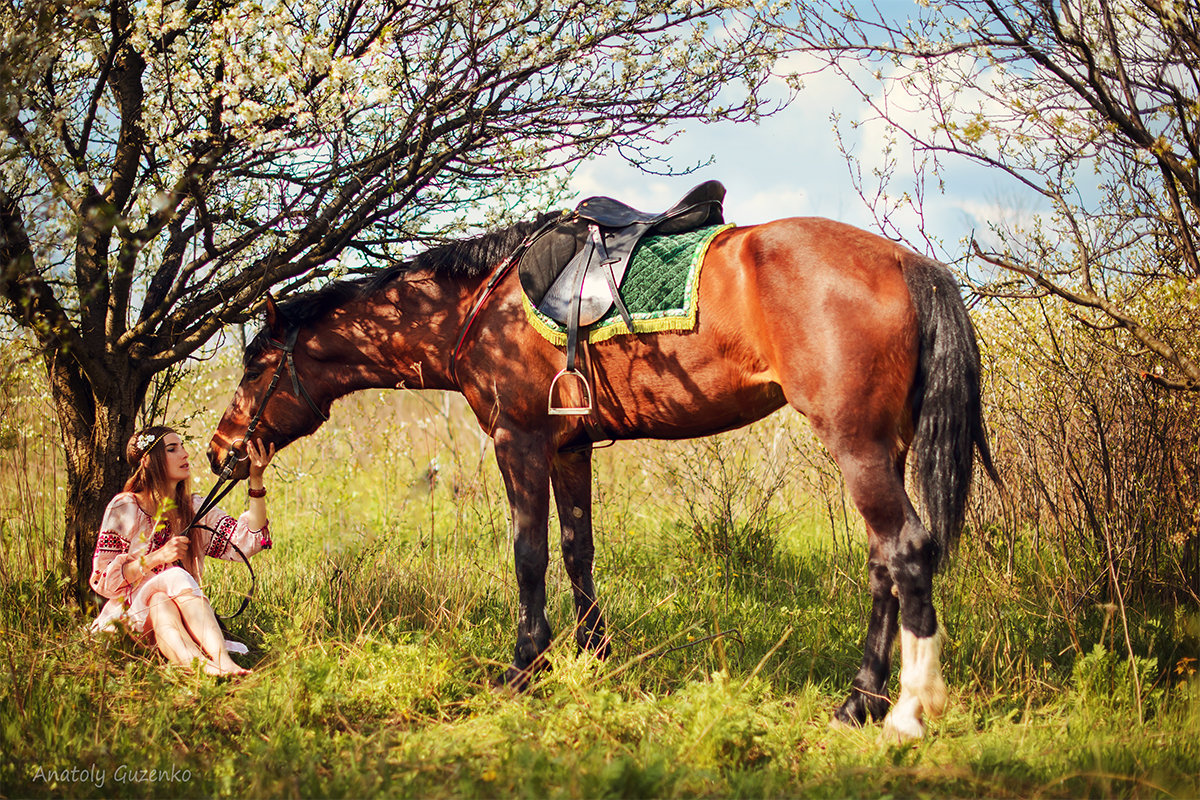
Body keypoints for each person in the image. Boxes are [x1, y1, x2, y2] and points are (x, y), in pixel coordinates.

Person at [88, 425, 276, 676]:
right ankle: (220, 661)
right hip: (129, 620)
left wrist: (256, 479)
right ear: (147, 461)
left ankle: (212, 666)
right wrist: (158, 557)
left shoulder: (193, 508)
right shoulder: (125, 507)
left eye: (183, 446)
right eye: (172, 449)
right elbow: (103, 581)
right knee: (173, 577)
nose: (185, 454)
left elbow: (244, 542)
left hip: (170, 618)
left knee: (160, 600)